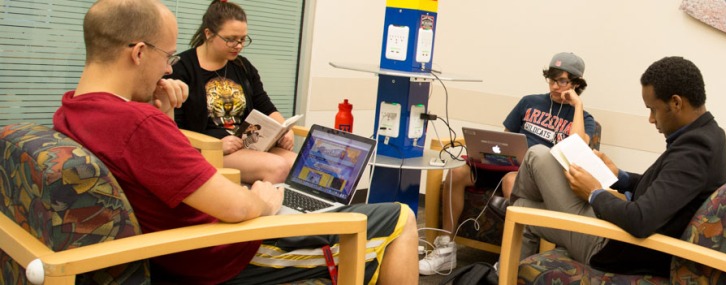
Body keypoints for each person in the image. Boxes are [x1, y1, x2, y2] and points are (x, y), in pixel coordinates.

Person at [52, 0, 418, 283]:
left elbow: (155, 169)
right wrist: (263, 199)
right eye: (166, 56)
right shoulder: (136, 123)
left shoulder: (72, 109)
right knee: (400, 217)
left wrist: (163, 113)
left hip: (182, 247)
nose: (168, 69)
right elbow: (238, 209)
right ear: (138, 53)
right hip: (221, 256)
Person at [508, 56, 726, 277]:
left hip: (612, 249)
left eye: (653, 109)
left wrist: (594, 192)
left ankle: (503, 271)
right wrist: (619, 176)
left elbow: (641, 219)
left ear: (676, 103)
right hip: (618, 236)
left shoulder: (695, 150)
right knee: (523, 208)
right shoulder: (709, 135)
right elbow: (666, 188)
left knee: (536, 156)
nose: (651, 119)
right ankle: (505, 273)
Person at [419, 52, 599, 275]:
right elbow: (505, 138)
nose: (554, 86)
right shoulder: (529, 102)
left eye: (562, 81)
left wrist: (578, 106)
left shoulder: (585, 119)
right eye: (552, 79)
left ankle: (509, 257)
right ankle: (445, 248)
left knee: (511, 180)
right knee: (456, 172)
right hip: (506, 163)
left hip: (536, 178)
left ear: (576, 83)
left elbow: (578, 148)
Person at [167, 0, 294, 184]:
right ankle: (257, 209)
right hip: (210, 149)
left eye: (243, 39)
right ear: (209, 34)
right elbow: (174, 127)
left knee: (298, 164)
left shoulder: (243, 66)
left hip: (248, 143)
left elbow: (265, 105)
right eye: (231, 39)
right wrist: (217, 144)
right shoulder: (181, 68)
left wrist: (284, 129)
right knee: (278, 167)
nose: (238, 45)